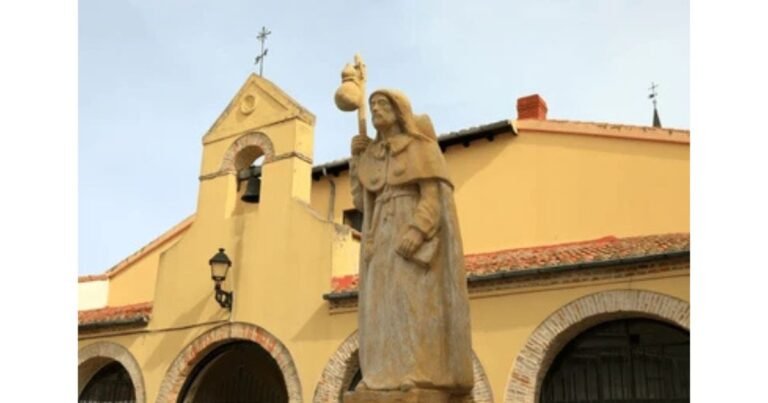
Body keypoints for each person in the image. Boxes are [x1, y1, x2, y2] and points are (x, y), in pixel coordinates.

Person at [349, 89, 473, 394]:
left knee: (413, 302)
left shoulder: (421, 147)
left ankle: (417, 371)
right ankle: (380, 375)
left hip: (409, 229)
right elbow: (362, 203)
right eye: (372, 105)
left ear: (398, 110)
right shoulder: (373, 156)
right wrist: (357, 160)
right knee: (382, 306)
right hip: (381, 235)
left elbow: (433, 196)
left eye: (382, 104)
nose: (375, 109)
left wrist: (418, 230)